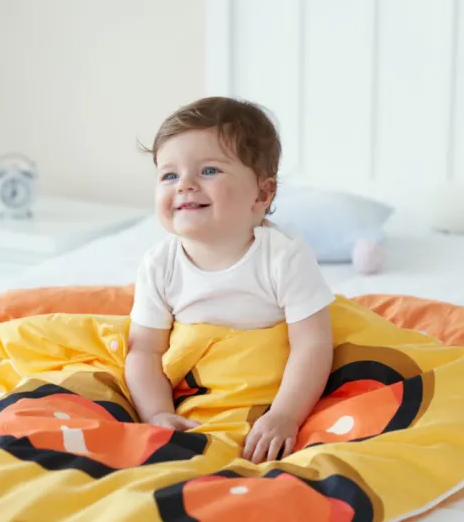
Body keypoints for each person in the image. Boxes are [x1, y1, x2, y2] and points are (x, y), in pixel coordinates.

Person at [125, 96, 335, 464]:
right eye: (169, 175)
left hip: (271, 394)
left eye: (208, 171)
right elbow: (144, 350)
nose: (184, 185)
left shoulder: (283, 257)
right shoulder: (159, 264)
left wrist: (284, 416)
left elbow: (312, 345)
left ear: (262, 193)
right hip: (197, 394)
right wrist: (157, 413)